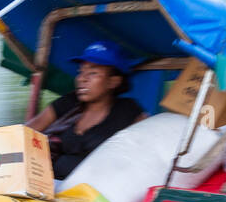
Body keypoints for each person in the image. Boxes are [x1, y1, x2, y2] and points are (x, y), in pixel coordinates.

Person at [25, 41, 147, 181]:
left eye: (93, 73)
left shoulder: (128, 111)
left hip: (96, 192)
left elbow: (146, 150)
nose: (82, 79)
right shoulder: (69, 102)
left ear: (113, 82)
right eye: (81, 72)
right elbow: (27, 131)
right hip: (46, 184)